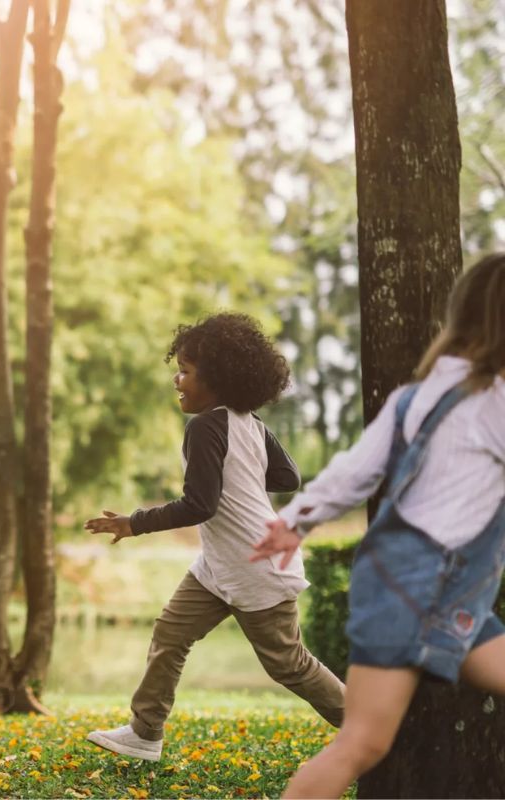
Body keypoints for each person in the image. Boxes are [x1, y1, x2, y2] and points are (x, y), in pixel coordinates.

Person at [252, 253, 505, 798]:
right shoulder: (492, 402)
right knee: (361, 744)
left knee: (360, 742)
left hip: (429, 592)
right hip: (420, 591)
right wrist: (294, 520)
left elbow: (354, 470)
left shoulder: (417, 397)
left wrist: (296, 519)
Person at [84, 312, 344, 761]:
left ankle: (374, 728)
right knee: (170, 633)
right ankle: (145, 732)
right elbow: (287, 476)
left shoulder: (205, 426)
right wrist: (241, 479)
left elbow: (199, 504)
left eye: (185, 371)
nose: (177, 380)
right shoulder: (250, 423)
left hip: (255, 564)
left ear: (218, 378)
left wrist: (135, 522)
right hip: (220, 565)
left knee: (289, 664)